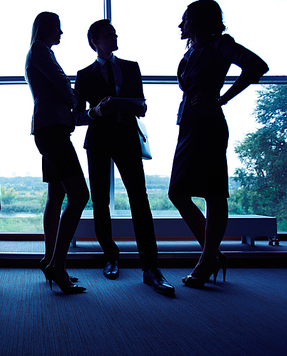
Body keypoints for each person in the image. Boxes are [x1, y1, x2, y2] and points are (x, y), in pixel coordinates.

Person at [169, 0, 268, 288]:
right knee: (178, 192)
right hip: (189, 124)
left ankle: (206, 260)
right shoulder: (193, 51)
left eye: (185, 19)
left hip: (209, 124)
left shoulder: (219, 45)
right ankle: (211, 255)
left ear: (198, 21)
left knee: (213, 193)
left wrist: (223, 97)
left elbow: (256, 65)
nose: (180, 24)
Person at [73, 19, 175, 295]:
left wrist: (136, 107)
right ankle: (110, 256)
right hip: (98, 141)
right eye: (109, 35)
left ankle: (150, 267)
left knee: (139, 199)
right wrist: (98, 111)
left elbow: (141, 104)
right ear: (94, 41)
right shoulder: (83, 75)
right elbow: (76, 116)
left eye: (115, 34)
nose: (115, 38)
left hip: (127, 138)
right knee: (100, 201)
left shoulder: (131, 67)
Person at [25, 12, 89, 294]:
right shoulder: (40, 49)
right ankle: (57, 265)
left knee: (57, 195)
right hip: (52, 130)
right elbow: (62, 87)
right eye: (58, 29)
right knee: (80, 196)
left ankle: (50, 259)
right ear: (46, 28)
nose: (61, 33)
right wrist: (77, 98)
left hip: (49, 128)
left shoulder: (40, 51)